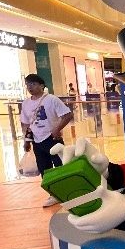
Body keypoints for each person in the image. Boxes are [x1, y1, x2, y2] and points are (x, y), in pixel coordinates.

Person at [20, 74, 73, 206]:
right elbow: (25, 124)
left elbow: (67, 115)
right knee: (44, 169)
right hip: (37, 141)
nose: (30, 87)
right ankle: (54, 194)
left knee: (60, 166)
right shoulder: (26, 103)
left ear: (42, 86)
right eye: (28, 84)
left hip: (52, 138)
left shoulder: (51, 99)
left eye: (33, 84)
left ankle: (68, 191)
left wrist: (57, 129)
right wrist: (27, 140)